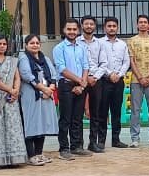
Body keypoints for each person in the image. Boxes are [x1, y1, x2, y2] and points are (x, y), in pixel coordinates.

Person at [0, 34, 28, 168]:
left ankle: (14, 158)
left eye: (4, 44)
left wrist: (15, 91)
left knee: (12, 126)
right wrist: (10, 90)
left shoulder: (11, 60)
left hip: (10, 99)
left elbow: (17, 77)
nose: (2, 46)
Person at [17, 33, 60, 166]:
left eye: (37, 43)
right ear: (26, 45)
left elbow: (53, 74)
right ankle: (31, 155)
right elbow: (26, 75)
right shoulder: (23, 58)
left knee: (42, 123)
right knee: (31, 123)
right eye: (32, 43)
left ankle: (39, 153)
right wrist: (44, 89)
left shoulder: (44, 58)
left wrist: (50, 88)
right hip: (31, 95)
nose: (35, 45)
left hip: (46, 95)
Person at [53, 18, 91, 159]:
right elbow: (62, 69)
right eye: (69, 29)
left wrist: (82, 84)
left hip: (81, 86)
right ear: (64, 30)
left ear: (78, 30)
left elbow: (86, 66)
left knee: (77, 118)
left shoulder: (82, 48)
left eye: (74, 29)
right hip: (66, 85)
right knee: (65, 118)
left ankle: (77, 146)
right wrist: (80, 81)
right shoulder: (59, 48)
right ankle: (64, 149)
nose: (72, 32)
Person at [127, 13, 149, 147]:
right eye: (140, 22)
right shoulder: (131, 41)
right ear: (137, 25)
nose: (142, 24)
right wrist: (140, 77)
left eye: (145, 22)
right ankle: (135, 138)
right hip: (136, 80)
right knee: (135, 110)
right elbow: (131, 61)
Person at [96, 17, 131, 149]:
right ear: (105, 28)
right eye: (109, 26)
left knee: (116, 111)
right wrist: (110, 74)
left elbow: (126, 62)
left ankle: (116, 140)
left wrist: (119, 74)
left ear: (117, 28)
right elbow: (98, 62)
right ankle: (101, 141)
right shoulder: (99, 43)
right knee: (103, 111)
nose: (111, 28)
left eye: (114, 26)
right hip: (104, 81)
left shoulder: (122, 44)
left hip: (118, 81)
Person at [78, 16, 101, 151]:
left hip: (95, 81)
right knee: (78, 113)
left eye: (91, 24)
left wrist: (95, 77)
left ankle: (93, 142)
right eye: (86, 24)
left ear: (95, 26)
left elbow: (104, 63)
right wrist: (85, 78)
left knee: (95, 113)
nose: (89, 26)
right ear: (82, 26)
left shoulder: (99, 43)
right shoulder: (76, 42)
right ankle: (78, 143)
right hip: (79, 80)